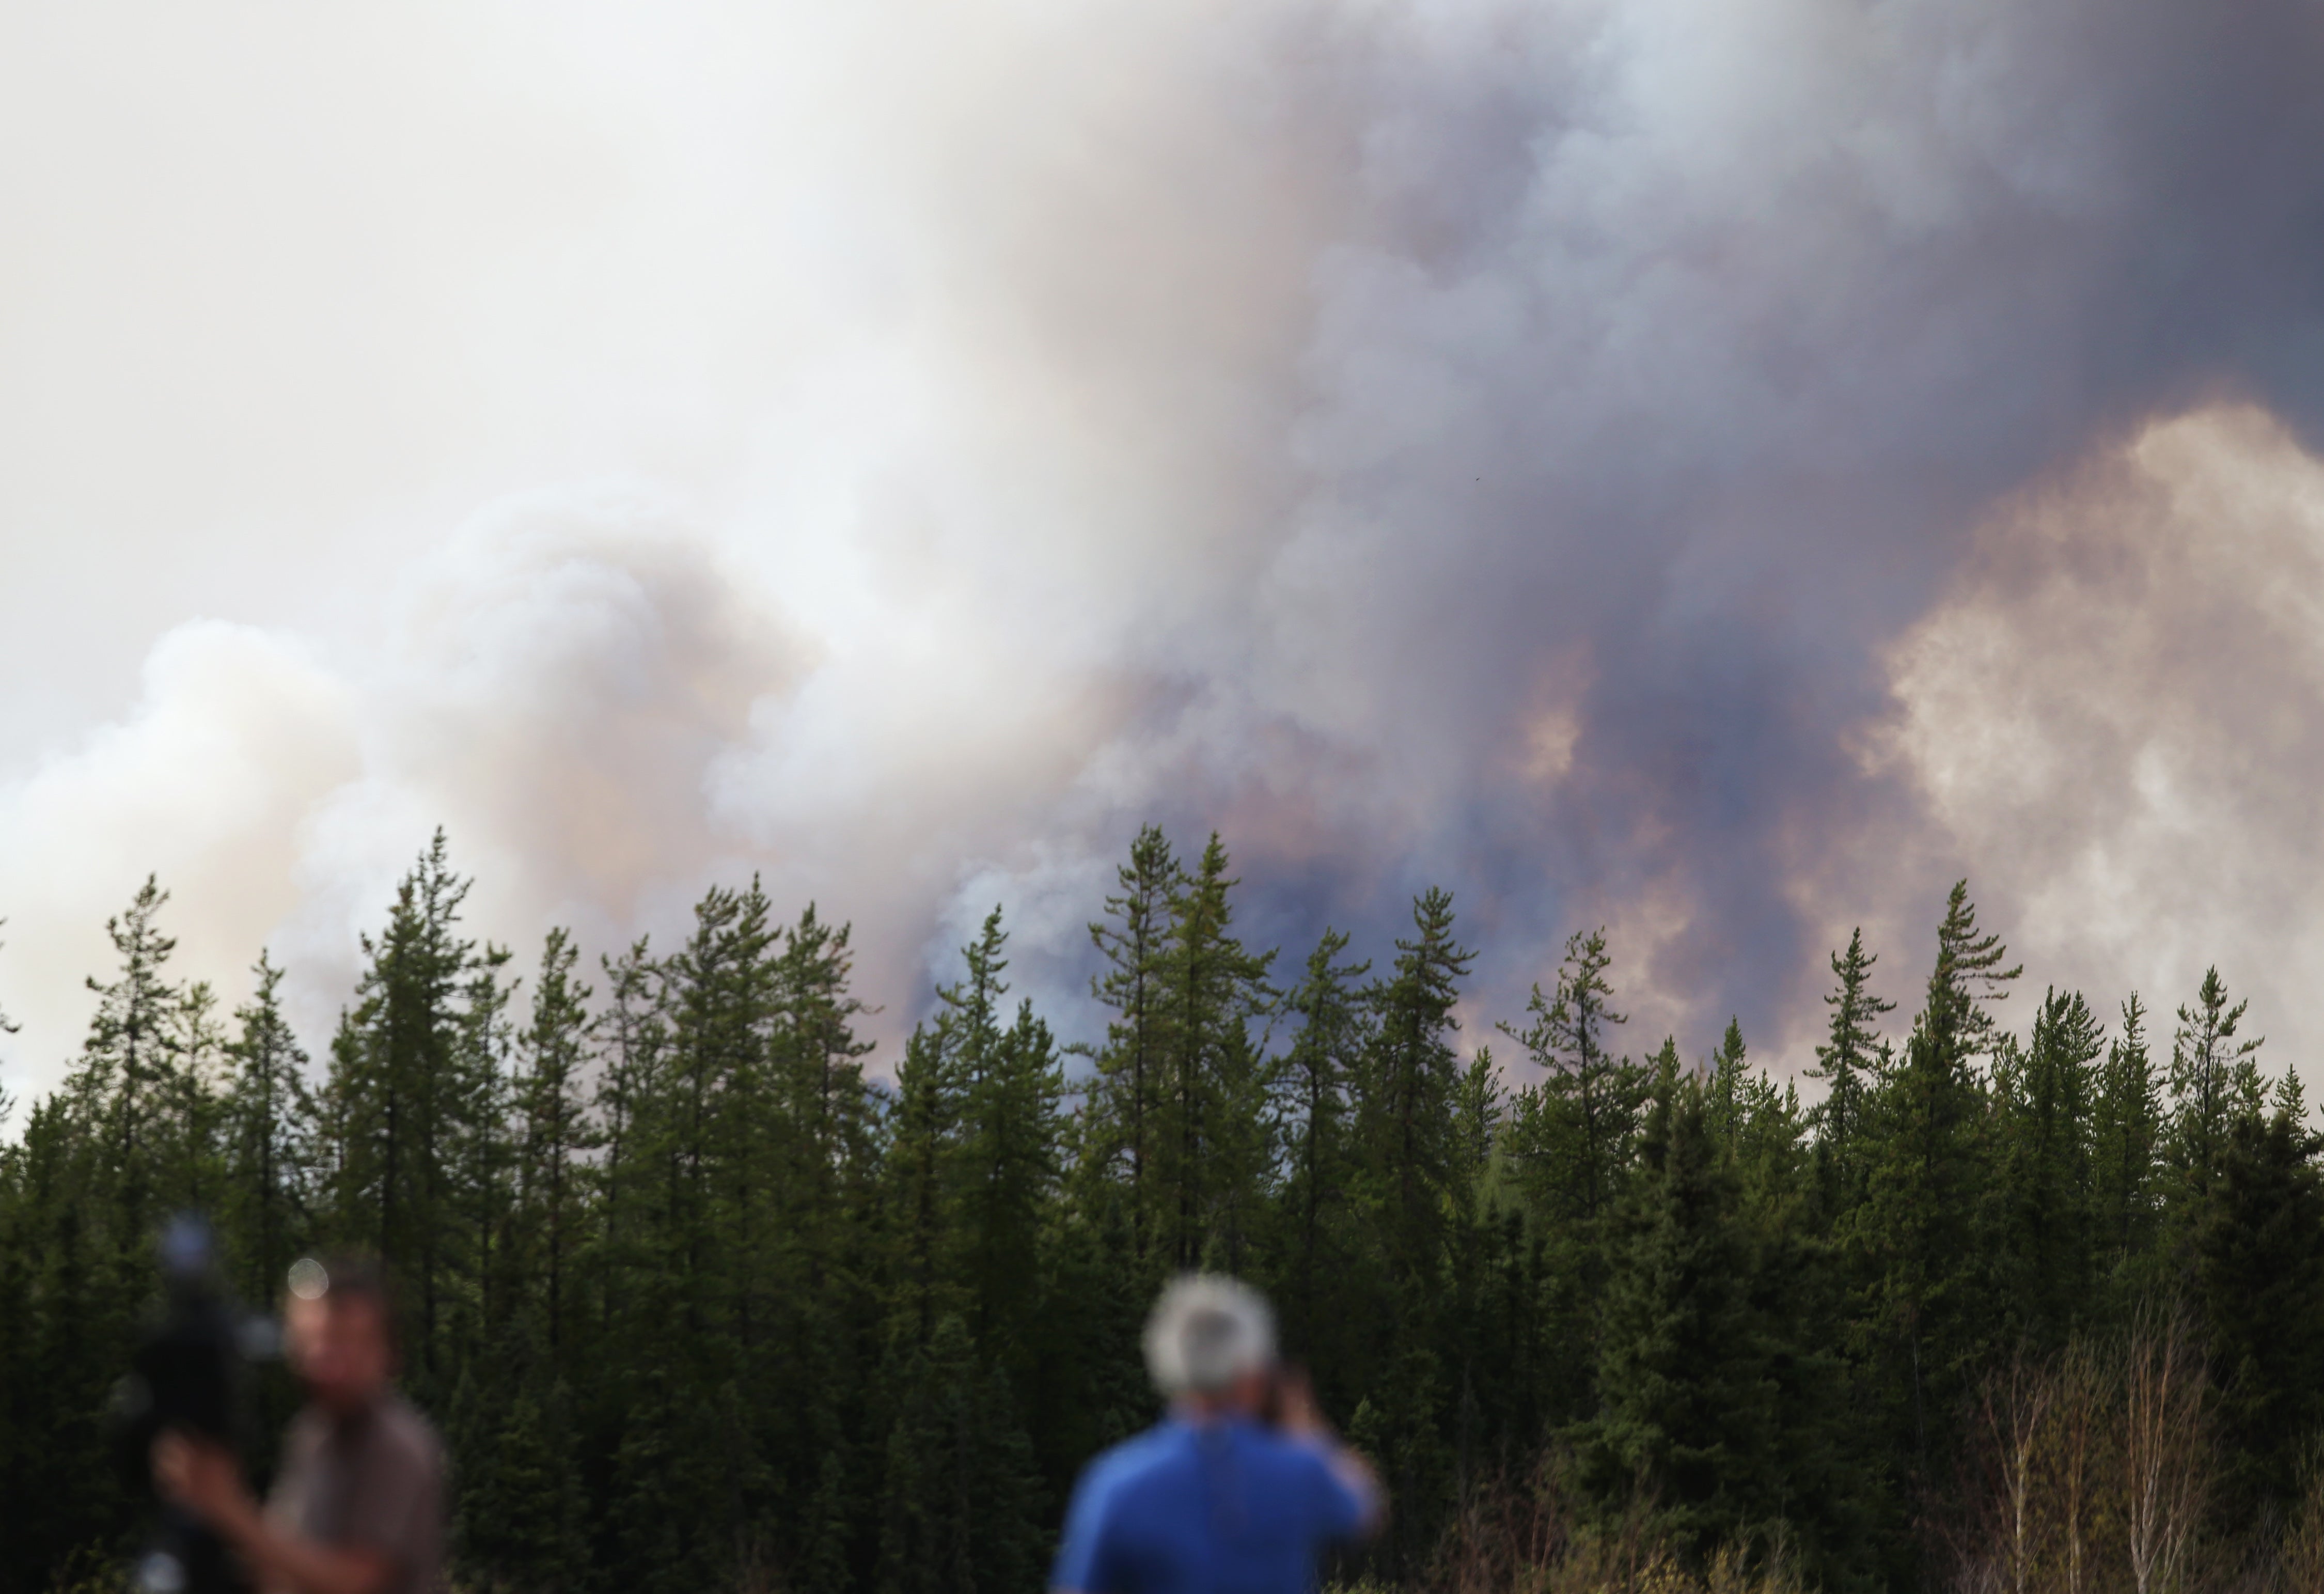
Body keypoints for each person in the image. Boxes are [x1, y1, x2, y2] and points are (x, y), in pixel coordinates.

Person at [1052, 1274, 1384, 1594]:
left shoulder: (1116, 1484)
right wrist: (1305, 1423)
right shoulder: (1300, 1472)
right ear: (1252, 1372)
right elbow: (1365, 1507)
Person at [153, 1255, 446, 1594]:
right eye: (312, 1340)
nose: (328, 1361)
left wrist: (227, 1508)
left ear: (389, 1352)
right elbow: (283, 1559)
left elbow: (356, 1581)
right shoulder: (312, 1433)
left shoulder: (396, 1445)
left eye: (350, 1343)